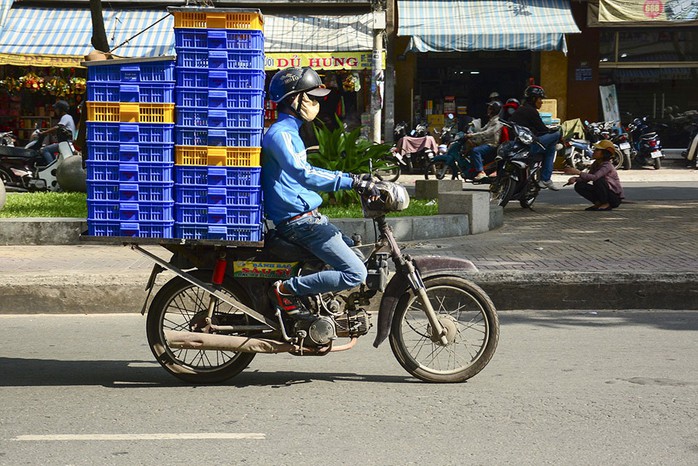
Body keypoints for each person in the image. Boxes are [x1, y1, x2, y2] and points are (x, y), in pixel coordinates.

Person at [261, 66, 378, 320]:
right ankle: (285, 290)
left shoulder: (291, 132)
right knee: (356, 272)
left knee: (355, 251)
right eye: (311, 97)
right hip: (299, 222)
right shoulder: (281, 135)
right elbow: (305, 173)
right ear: (294, 99)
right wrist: (352, 181)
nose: (316, 103)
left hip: (308, 218)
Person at [509, 85, 561, 191]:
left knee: (551, 146)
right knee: (556, 136)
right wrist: (553, 131)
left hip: (517, 145)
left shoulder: (520, 110)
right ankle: (545, 179)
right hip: (529, 146)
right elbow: (543, 130)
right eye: (540, 99)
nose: (541, 102)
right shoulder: (531, 111)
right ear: (533, 99)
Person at [564, 140, 624, 211]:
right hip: (604, 192)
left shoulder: (607, 165)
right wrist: (575, 179)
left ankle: (606, 203)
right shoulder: (596, 164)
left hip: (613, 197)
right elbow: (588, 178)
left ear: (604, 153)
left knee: (598, 180)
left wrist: (578, 172)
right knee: (579, 185)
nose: (594, 151)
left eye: (597, 150)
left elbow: (595, 177)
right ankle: (598, 203)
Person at [466, 101, 502, 182]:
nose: (488, 110)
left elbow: (487, 132)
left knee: (475, 151)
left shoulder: (497, 121)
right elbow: (482, 130)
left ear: (494, 110)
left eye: (490, 108)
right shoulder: (491, 120)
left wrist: (473, 135)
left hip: (491, 144)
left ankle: (481, 172)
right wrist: (472, 132)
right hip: (485, 143)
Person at [39, 100, 76, 166]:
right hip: (66, 143)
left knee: (45, 150)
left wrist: (44, 132)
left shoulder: (66, 117)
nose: (56, 111)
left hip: (65, 143)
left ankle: (51, 166)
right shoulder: (68, 117)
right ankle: (54, 164)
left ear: (61, 109)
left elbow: (58, 127)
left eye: (57, 109)